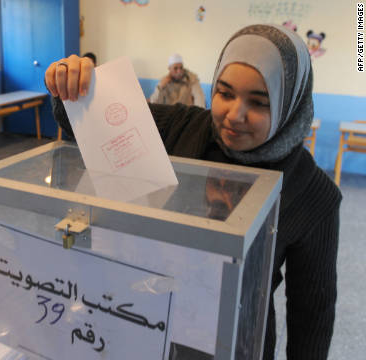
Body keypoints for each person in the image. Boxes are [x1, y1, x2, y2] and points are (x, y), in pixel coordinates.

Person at [45, 24, 341, 359]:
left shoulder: (313, 195)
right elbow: (88, 121)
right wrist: (71, 83)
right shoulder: (183, 126)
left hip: (235, 345)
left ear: (290, 104)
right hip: (147, 324)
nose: (234, 115)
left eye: (259, 102)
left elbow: (312, 314)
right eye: (225, 93)